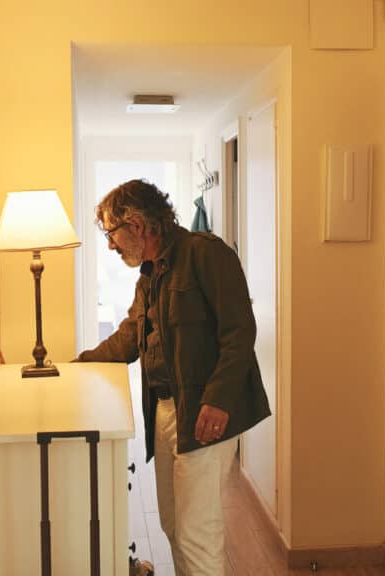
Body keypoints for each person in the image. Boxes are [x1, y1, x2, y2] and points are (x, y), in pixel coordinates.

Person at [77, 179, 271, 575]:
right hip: (167, 411)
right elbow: (131, 335)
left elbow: (240, 332)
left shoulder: (205, 254)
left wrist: (217, 400)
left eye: (112, 234)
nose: (111, 246)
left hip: (204, 411)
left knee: (196, 531)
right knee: (173, 525)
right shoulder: (150, 274)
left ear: (137, 224)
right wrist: (78, 364)